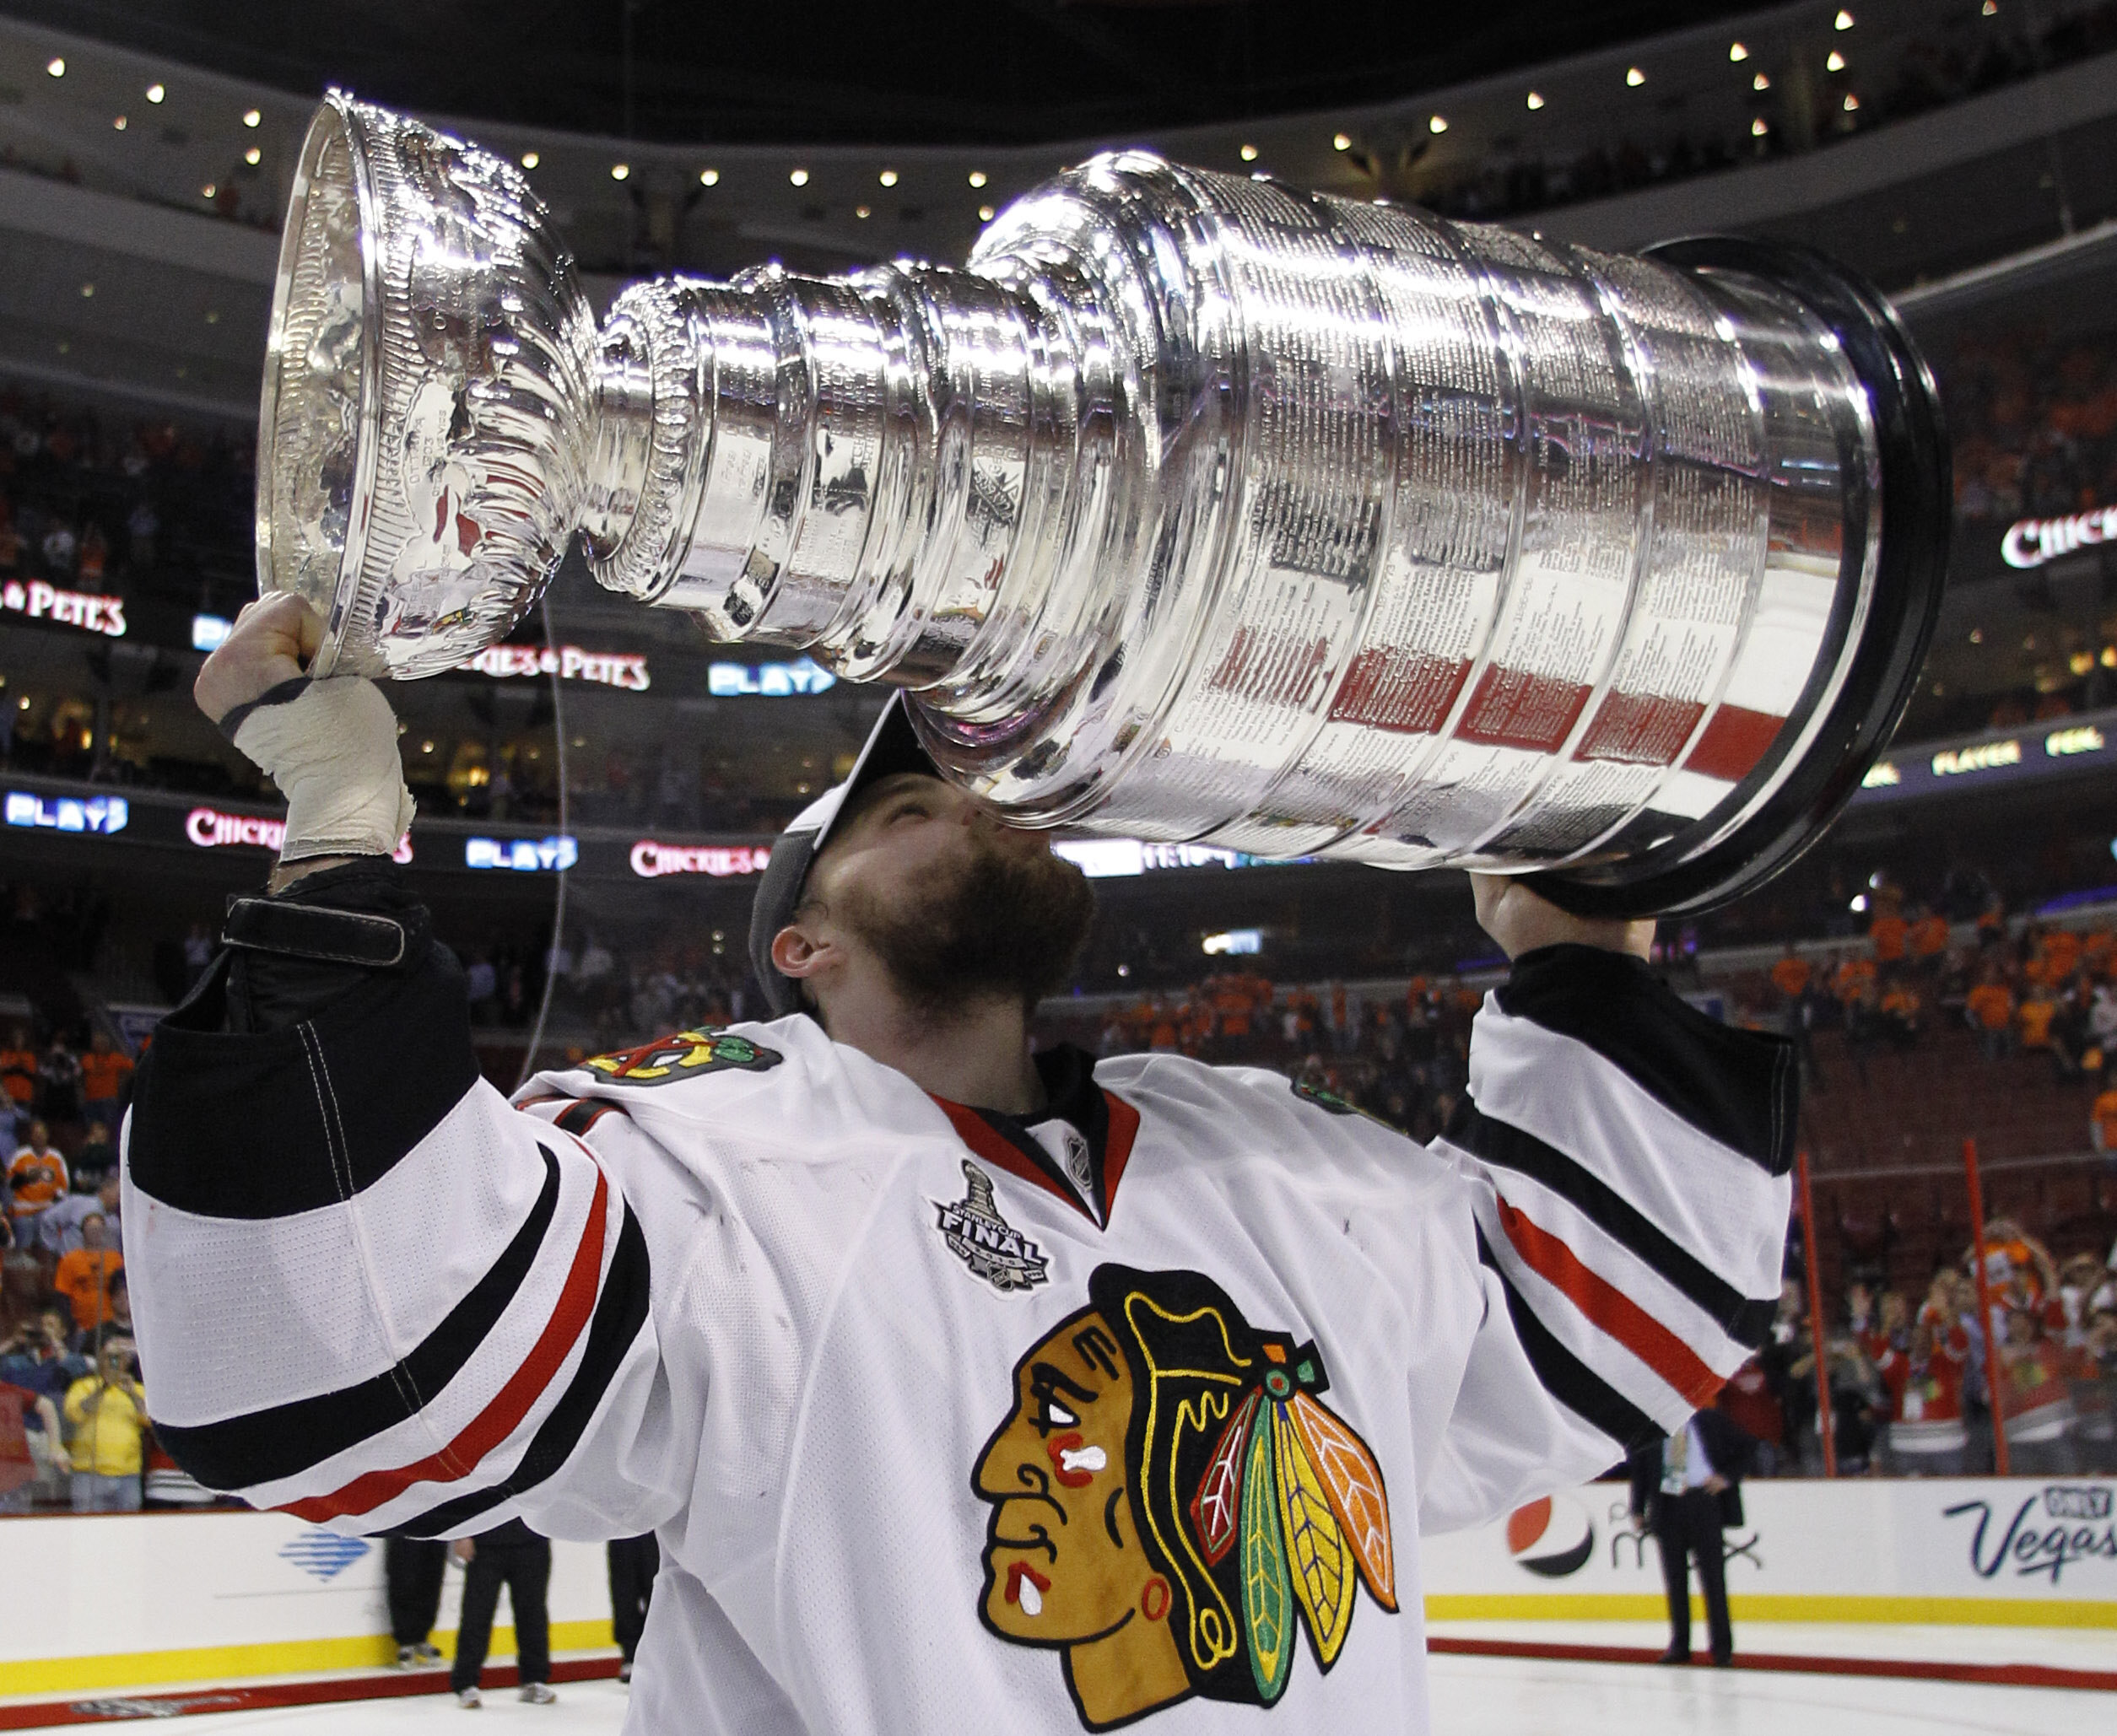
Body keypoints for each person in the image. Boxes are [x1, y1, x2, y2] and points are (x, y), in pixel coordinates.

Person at [122, 595, 1794, 1736]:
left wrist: (1584, 948)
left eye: (976, 785)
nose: (955, 795)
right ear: (801, 946)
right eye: (892, 808)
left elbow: (1613, 1328)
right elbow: (344, 1365)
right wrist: (339, 832)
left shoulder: (1281, 1156)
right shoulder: (715, 1166)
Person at [1627, 1407, 1754, 1667]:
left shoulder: (1710, 1420)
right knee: (1675, 1580)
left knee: (1713, 1580)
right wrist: (1638, 1508)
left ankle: (1722, 1649)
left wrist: (1726, 1477)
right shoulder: (1652, 1427)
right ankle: (1680, 1645)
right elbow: (1640, 1467)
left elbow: (1749, 1447)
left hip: (1704, 1502)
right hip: (1667, 1504)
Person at [450, 1519, 556, 1708]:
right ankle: (466, 1683)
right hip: (485, 1542)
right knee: (476, 1614)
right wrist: (461, 1534)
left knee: (533, 1614)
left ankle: (534, 1679)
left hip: (532, 1540)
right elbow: (468, 1494)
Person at [62, 1339, 146, 1512]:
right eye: (108, 1357)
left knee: (128, 1531)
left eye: (118, 1358)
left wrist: (132, 1394)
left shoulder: (137, 1389)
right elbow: (75, 1414)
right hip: (89, 1473)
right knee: (87, 1530)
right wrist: (104, 1387)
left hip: (127, 1474)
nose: (112, 1363)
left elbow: (149, 1420)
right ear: (100, 1359)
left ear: (127, 1361)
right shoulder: (84, 1386)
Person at [384, 1537, 448, 1669]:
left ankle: (421, 1636)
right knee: (403, 1576)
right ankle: (405, 1641)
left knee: (432, 1577)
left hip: (436, 1523)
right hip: (404, 1524)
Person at [51, 1213, 122, 1334]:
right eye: (90, 1229)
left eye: (98, 1229)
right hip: (81, 1327)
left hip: (111, 1326)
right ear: (83, 1232)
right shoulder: (70, 1259)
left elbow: (123, 1293)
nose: (94, 1233)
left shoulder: (115, 1259)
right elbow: (62, 1297)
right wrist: (72, 1325)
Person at [607, 1533, 659, 1683]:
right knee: (624, 1590)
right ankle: (631, 1655)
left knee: (656, 1585)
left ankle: (661, 1655)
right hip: (621, 1528)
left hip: (656, 1527)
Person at [6, 1122, 66, 1237]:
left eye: (42, 1133)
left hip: (47, 1208)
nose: (39, 1137)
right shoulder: (20, 1155)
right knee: (25, 1224)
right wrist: (25, 1178)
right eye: (35, 1134)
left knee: (45, 1223)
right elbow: (9, 1184)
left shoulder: (56, 1157)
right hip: (23, 1209)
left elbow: (63, 1188)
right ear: (30, 1136)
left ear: (47, 1135)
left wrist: (54, 1204)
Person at [78, 1032, 132, 1143]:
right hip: (91, 1099)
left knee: (109, 1129)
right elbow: (81, 1076)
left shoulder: (115, 1058)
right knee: (91, 1128)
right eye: (98, 1043)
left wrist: (122, 1081)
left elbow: (131, 1067)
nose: (100, 1045)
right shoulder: (87, 1059)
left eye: (103, 1043)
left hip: (109, 1100)